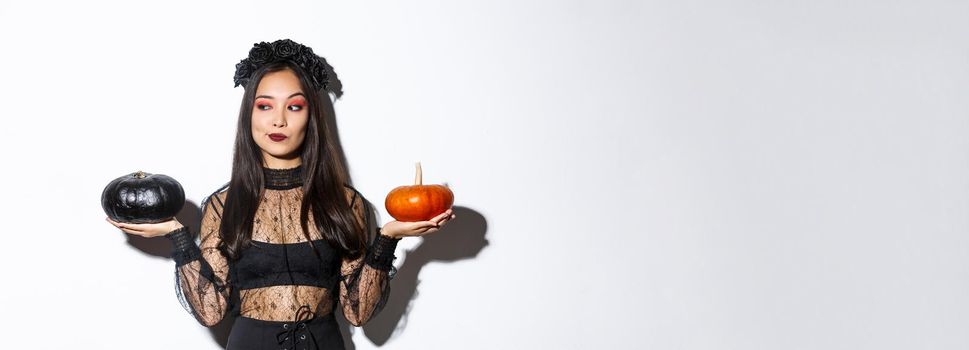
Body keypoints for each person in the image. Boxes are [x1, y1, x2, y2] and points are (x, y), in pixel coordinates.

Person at [106, 39, 454, 350]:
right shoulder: (224, 205)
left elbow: (359, 312)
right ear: (249, 115)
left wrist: (387, 239)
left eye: (294, 106)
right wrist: (177, 236)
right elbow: (210, 312)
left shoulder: (344, 202)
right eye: (265, 106)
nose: (278, 121)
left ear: (311, 117)